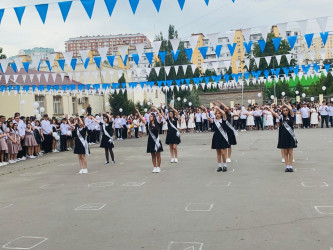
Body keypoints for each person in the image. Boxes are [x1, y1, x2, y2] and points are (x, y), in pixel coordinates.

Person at [268, 100, 297, 172]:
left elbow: (290, 109)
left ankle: (290, 165)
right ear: (282, 112)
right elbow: (274, 114)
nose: (285, 111)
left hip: (290, 136)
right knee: (285, 152)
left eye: (286, 110)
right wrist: (269, 109)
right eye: (284, 110)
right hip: (284, 136)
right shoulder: (281, 118)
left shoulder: (291, 117)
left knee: (290, 152)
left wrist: (284, 104)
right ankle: (287, 166)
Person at [202, 105, 230, 172]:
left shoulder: (223, 120)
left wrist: (218, 109)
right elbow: (208, 117)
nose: (217, 114)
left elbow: (223, 113)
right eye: (216, 113)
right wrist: (206, 111)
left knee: (223, 152)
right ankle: (219, 166)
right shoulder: (214, 121)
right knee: (218, 152)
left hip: (223, 137)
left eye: (218, 113)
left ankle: (225, 165)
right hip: (216, 136)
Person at [136, 107, 163, 173]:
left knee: (158, 155)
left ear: (154, 117)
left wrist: (156, 110)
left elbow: (160, 116)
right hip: (151, 141)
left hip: (157, 141)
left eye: (151, 116)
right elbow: (142, 118)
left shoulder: (157, 123)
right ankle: (154, 167)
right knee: (153, 154)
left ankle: (158, 167)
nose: (150, 117)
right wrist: (138, 111)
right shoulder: (148, 124)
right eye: (149, 116)